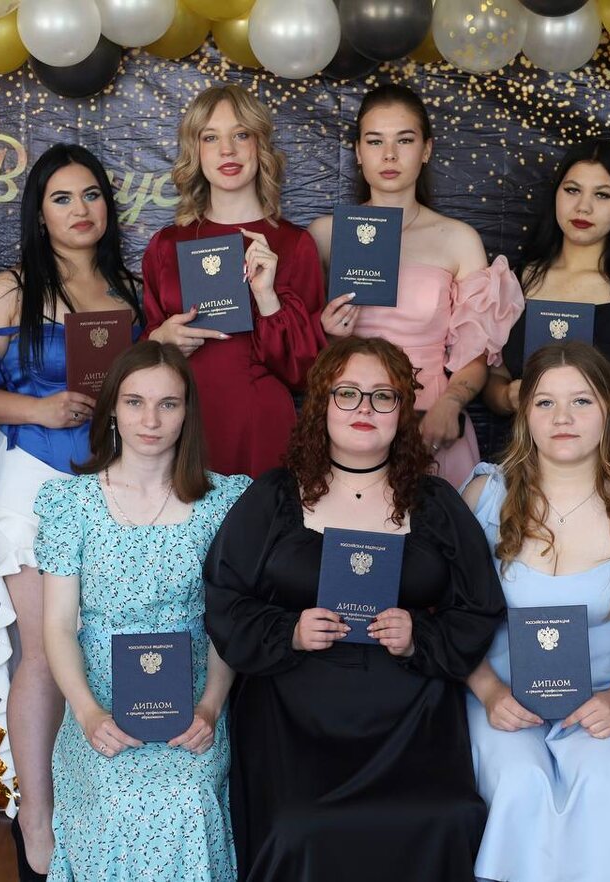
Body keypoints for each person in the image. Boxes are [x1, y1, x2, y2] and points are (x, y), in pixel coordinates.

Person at [204, 336, 505, 882]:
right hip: (294, 716)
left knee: (450, 815)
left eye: (382, 396)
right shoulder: (273, 497)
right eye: (347, 393)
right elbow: (225, 601)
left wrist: (420, 635)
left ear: (402, 410)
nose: (364, 408)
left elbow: (479, 608)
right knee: (298, 827)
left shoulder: (436, 503)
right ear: (321, 404)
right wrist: (290, 630)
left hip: (411, 719)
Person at [0, 144, 143, 879]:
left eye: (91, 194)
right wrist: (37, 407)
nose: (80, 210)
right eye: (62, 198)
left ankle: (93, 812)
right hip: (32, 476)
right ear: (38, 212)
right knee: (41, 647)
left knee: (96, 642)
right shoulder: (11, 288)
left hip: (110, 482)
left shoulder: (126, 290)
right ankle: (34, 820)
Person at [462, 341, 610, 882]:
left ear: (609, 408)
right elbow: (449, 615)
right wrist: (489, 693)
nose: (562, 418)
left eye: (581, 401)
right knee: (520, 781)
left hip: (608, 692)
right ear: (524, 414)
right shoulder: (486, 494)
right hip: (502, 695)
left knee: (601, 777)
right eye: (545, 402)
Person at [38, 341, 247, 880]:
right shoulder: (71, 503)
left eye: (167, 404)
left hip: (194, 697)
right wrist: (88, 713)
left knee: (188, 797)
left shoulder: (223, 502)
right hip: (99, 695)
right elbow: (57, 627)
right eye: (135, 402)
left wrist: (211, 707)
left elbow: (227, 623)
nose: (150, 420)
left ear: (187, 412)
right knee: (114, 799)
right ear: (112, 407)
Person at [310, 84, 524, 489]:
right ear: (358, 152)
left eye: (404, 140)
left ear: (426, 149)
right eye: (375, 141)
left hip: (431, 421)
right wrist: (326, 333)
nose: (389, 155)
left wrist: (451, 402)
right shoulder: (325, 235)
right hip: (348, 417)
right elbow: (296, 344)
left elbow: (476, 353)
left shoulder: (458, 239)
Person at [143, 83, 326, 477]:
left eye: (241, 135)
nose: (227, 150)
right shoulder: (166, 245)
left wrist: (267, 299)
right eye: (211, 137)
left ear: (260, 146)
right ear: (195, 151)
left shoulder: (295, 245)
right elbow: (139, 364)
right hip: (180, 426)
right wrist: (160, 340)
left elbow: (306, 373)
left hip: (260, 428)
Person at [484, 141, 610, 480]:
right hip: (521, 476)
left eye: (602, 195)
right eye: (572, 190)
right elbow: (494, 381)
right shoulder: (518, 280)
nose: (583, 206)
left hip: (604, 481)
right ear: (555, 195)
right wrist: (506, 396)